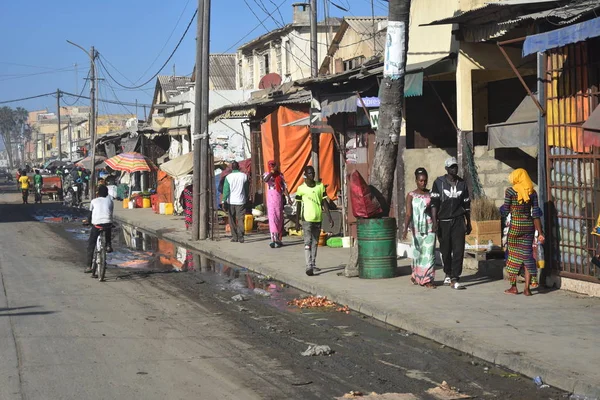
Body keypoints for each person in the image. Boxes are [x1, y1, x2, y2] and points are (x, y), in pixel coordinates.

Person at [500, 168, 544, 296]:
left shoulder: (510, 191)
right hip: (529, 227)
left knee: (513, 257)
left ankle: (513, 287)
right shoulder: (532, 192)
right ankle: (527, 288)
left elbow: (505, 211)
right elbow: (535, 214)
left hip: (515, 228)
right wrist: (540, 233)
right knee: (527, 256)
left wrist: (505, 209)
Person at [431, 157, 471, 290]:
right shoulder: (438, 183)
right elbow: (434, 204)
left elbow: (466, 204)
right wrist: (435, 220)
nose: (454, 169)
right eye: (452, 167)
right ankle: (448, 272)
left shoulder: (462, 184)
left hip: (458, 220)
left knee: (459, 250)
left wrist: (468, 222)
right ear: (446, 169)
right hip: (443, 221)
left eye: (456, 166)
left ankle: (455, 277)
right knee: (445, 250)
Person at [295, 166, 334, 276]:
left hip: (318, 218)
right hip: (307, 219)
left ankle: (313, 263)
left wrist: (329, 217)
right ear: (305, 175)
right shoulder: (301, 188)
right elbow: (298, 205)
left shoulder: (320, 186)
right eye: (309, 173)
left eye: (313, 173)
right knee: (307, 242)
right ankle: (308, 266)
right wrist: (297, 221)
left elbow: (324, 202)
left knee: (315, 242)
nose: (312, 175)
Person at [403, 168, 436, 288]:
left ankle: (427, 279)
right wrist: (405, 230)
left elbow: (436, 210)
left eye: (425, 181)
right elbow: (408, 214)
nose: (423, 183)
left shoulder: (431, 194)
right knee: (417, 254)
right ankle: (417, 275)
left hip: (430, 228)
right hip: (416, 229)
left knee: (429, 254)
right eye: (421, 181)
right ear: (416, 180)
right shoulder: (411, 195)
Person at [84, 185, 114, 273]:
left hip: (97, 224)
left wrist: (88, 222)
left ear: (98, 193)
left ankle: (88, 266)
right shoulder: (110, 201)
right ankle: (108, 245)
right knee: (108, 229)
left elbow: (90, 215)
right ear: (107, 193)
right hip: (108, 222)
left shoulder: (93, 201)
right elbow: (110, 213)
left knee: (91, 244)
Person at [263, 160, 291, 248]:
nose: (272, 167)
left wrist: (288, 198)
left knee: (279, 218)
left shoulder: (280, 175)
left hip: (278, 199)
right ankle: (273, 240)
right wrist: (271, 173)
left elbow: (284, 187)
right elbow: (265, 180)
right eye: (270, 165)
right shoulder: (267, 174)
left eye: (273, 165)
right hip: (271, 199)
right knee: (272, 218)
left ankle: (279, 239)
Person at [222, 161, 249, 243]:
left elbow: (226, 190)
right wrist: (246, 197)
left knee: (232, 220)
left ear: (231, 168)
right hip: (241, 201)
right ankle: (241, 235)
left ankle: (235, 237)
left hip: (231, 201)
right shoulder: (244, 176)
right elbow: (246, 188)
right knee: (240, 219)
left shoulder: (228, 177)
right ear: (238, 167)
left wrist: (223, 201)